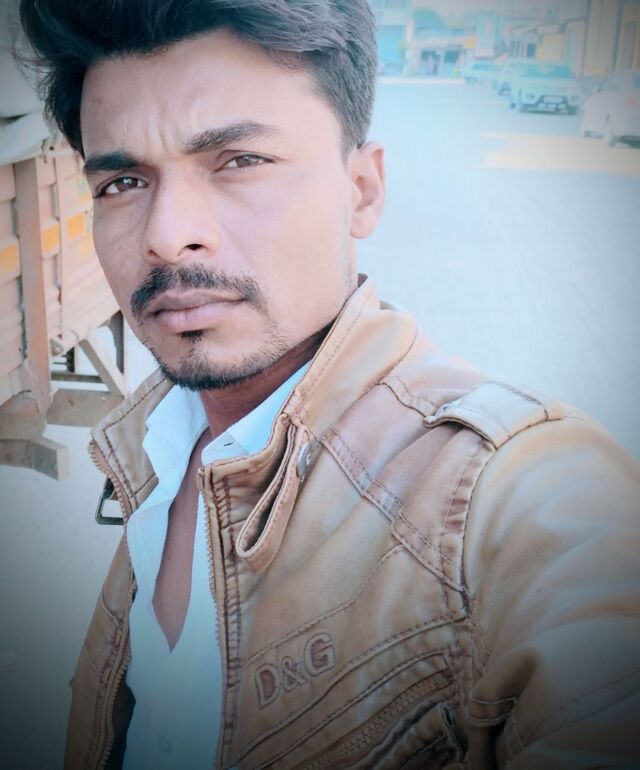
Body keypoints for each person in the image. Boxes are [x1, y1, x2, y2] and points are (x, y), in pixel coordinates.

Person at [19, 1, 639, 769]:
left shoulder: (510, 500)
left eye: (239, 161)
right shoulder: (153, 447)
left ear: (363, 190)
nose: (167, 235)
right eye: (122, 182)